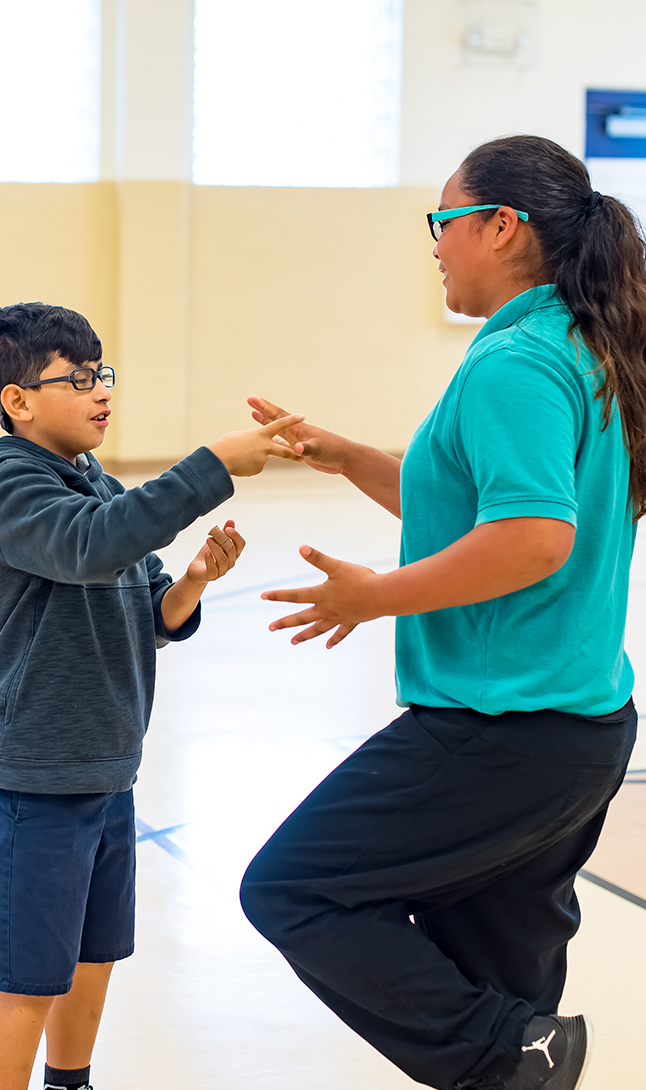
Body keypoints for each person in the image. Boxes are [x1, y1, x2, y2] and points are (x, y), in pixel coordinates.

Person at [239, 135, 641, 1090]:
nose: (434, 245)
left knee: (296, 888)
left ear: (502, 228)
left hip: (504, 731)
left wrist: (373, 596)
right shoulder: (582, 346)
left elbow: (536, 538)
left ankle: (511, 1050)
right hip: (575, 731)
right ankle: (519, 1051)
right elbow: (476, 506)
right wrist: (349, 457)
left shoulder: (518, 364)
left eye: (443, 221)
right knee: (502, 986)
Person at [0, 302, 304, 1090]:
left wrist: (194, 580)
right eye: (76, 379)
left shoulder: (98, 485)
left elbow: (152, 616)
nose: (100, 391)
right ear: (18, 401)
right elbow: (89, 547)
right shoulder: (2, 477)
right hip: (34, 776)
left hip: (108, 769)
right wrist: (210, 465)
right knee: (28, 981)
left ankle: (70, 1084)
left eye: (101, 373)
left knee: (92, 958)